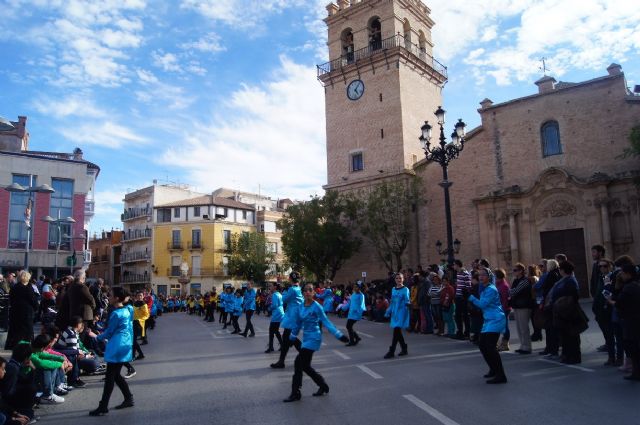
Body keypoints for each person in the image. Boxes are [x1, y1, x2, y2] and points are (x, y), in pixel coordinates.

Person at [282, 283, 348, 402]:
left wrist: (339, 335)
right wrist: (291, 338)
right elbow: (297, 324)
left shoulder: (317, 306)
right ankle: (323, 386)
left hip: (314, 337)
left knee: (298, 362)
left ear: (313, 293)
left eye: (310, 290)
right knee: (305, 366)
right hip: (306, 338)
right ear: (303, 293)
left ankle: (296, 392)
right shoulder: (300, 307)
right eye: (305, 290)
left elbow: (326, 322)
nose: (307, 292)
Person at [90, 287, 134, 416]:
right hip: (125, 343)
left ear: (116, 298)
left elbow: (109, 332)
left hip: (117, 344)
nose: (108, 297)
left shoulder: (116, 313)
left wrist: (96, 336)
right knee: (115, 375)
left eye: (110, 295)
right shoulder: (128, 309)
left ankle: (103, 406)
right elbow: (129, 327)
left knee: (110, 377)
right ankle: (128, 398)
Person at [469, 267, 508, 384]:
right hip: (489, 320)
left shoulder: (491, 289)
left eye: (483, 275)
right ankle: (493, 369)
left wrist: (470, 297)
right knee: (482, 345)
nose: (481, 277)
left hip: (496, 319)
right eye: (479, 275)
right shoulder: (486, 289)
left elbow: (482, 304)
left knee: (490, 347)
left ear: (489, 277)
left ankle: (501, 375)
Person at [550, 261, 587, 364]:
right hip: (562, 312)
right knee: (565, 335)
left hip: (568, 311)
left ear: (563, 270)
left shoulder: (570, 280)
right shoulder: (564, 280)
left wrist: (565, 305)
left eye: (560, 269)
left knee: (572, 335)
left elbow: (574, 296)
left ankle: (574, 357)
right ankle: (567, 355)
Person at [610, 264, 640, 380]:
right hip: (634, 319)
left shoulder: (629, 287)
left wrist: (610, 302)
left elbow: (619, 303)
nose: (621, 275)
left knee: (632, 347)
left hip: (631, 321)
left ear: (628, 273)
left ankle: (636, 373)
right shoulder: (635, 284)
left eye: (622, 273)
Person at [271, 272, 303, 369]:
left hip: (292, 317)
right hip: (294, 316)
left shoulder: (292, 289)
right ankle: (282, 361)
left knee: (288, 338)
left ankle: (303, 354)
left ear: (290, 279)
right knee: (288, 338)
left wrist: (283, 292)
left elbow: (283, 300)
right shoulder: (298, 288)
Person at [4, 271, 39, 350]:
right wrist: (36, 308)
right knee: (27, 334)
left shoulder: (14, 288)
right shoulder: (28, 288)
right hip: (26, 314)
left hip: (15, 313)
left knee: (16, 333)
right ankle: (25, 349)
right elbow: (34, 301)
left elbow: (11, 300)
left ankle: (16, 348)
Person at [383, 273, 410, 359]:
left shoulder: (405, 289)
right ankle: (404, 348)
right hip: (395, 312)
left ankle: (391, 351)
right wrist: (388, 311)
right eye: (397, 278)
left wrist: (408, 305)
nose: (399, 280)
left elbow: (407, 300)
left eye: (400, 278)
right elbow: (392, 302)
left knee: (396, 331)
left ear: (403, 279)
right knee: (397, 332)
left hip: (402, 312)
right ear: (395, 280)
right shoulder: (393, 289)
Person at [509, 263, 533, 354]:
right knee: (519, 327)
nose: (513, 272)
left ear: (521, 271)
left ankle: (527, 347)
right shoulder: (516, 280)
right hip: (517, 305)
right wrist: (511, 291)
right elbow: (512, 291)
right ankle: (522, 345)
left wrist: (510, 292)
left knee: (524, 327)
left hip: (524, 306)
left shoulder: (525, 280)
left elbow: (514, 291)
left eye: (515, 270)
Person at [453, 260, 472, 339]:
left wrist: (465, 297)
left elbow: (468, 286)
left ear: (457, 265)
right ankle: (459, 331)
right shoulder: (458, 274)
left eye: (454, 265)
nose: (453, 266)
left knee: (465, 316)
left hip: (463, 298)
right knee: (457, 316)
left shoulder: (465, 274)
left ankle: (467, 333)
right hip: (458, 297)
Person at [345, 282, 366, 346]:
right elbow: (350, 302)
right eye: (354, 287)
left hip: (356, 314)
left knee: (348, 326)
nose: (355, 288)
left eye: (356, 287)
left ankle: (352, 341)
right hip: (351, 313)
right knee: (349, 326)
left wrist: (359, 313)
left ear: (360, 288)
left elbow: (362, 306)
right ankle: (356, 338)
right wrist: (344, 307)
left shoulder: (361, 295)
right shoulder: (353, 294)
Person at [265, 283, 283, 353]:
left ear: (275, 287)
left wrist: (269, 309)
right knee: (275, 331)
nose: (270, 287)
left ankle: (271, 347)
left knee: (271, 330)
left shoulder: (275, 295)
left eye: (271, 286)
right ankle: (282, 345)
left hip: (276, 314)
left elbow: (274, 305)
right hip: (280, 313)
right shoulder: (279, 294)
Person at [132, 292, 149, 359]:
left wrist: (140, 320)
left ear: (143, 296)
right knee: (133, 340)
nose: (139, 297)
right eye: (138, 295)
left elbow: (147, 315)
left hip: (139, 323)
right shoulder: (135, 303)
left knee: (133, 340)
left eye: (141, 295)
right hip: (133, 322)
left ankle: (140, 354)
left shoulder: (144, 304)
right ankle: (133, 354)